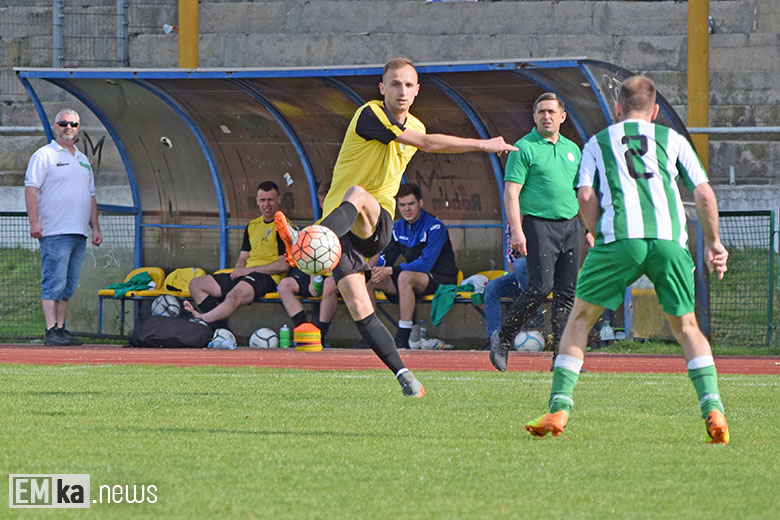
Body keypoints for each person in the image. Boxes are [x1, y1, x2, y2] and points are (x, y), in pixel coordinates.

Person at [274, 57, 517, 397]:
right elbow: (428, 143)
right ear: (382, 88)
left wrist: (484, 145)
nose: (402, 91)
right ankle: (405, 377)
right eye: (395, 84)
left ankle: (307, 244)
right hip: (338, 226)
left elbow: (428, 143)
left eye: (408, 85)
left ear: (417, 91)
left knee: (358, 193)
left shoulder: (414, 125)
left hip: (375, 223)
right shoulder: (369, 114)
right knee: (360, 306)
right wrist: (484, 143)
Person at [525, 75, 730, 444]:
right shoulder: (672, 139)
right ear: (654, 111)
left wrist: (595, 232)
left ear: (617, 109)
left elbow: (585, 195)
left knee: (580, 319)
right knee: (687, 327)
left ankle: (559, 406)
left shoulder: (598, 142)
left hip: (619, 239)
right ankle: (713, 407)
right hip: (668, 241)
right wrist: (714, 242)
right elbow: (703, 193)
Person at [489, 92, 584, 372]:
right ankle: (503, 337)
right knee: (541, 287)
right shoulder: (523, 148)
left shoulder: (573, 150)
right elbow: (511, 192)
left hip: (570, 225)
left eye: (552, 112)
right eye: (541, 112)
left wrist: (589, 228)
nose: (546, 116)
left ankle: (562, 359)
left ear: (562, 117)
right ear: (534, 117)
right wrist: (516, 230)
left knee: (567, 294)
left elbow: (581, 191)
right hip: (538, 225)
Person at [25, 108, 102, 346]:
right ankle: (50, 329)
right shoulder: (44, 155)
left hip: (79, 231)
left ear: (78, 128)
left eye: (73, 124)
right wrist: (34, 221)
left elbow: (90, 196)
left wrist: (95, 228)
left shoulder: (83, 159)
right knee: (54, 280)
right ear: (55, 126)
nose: (69, 127)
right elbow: (31, 189)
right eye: (63, 123)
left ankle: (60, 327)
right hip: (55, 230)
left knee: (69, 283)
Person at [367, 182, 459, 349]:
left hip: (442, 279)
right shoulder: (398, 227)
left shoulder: (435, 226)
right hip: (412, 278)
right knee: (370, 280)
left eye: (411, 204)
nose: (407, 209)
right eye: (402, 205)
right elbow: (387, 256)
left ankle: (403, 337)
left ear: (420, 203)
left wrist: (390, 270)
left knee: (404, 277)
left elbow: (425, 264)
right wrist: (375, 269)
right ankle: (371, 335)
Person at [184, 181, 290, 325]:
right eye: (262, 200)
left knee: (233, 295)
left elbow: (283, 265)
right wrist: (239, 270)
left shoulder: (284, 227)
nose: (266, 204)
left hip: (267, 277)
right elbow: (243, 257)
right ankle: (220, 330)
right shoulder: (252, 225)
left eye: (270, 199)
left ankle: (202, 319)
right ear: (257, 201)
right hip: (247, 273)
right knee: (197, 284)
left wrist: (249, 270)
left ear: (279, 200)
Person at [276, 181, 340, 342]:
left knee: (329, 284)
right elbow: (311, 255)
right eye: (323, 201)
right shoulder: (316, 226)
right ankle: (305, 330)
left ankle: (320, 335)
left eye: (330, 200)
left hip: (338, 276)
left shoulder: (345, 224)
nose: (326, 204)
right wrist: (312, 279)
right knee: (284, 285)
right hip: (317, 273)